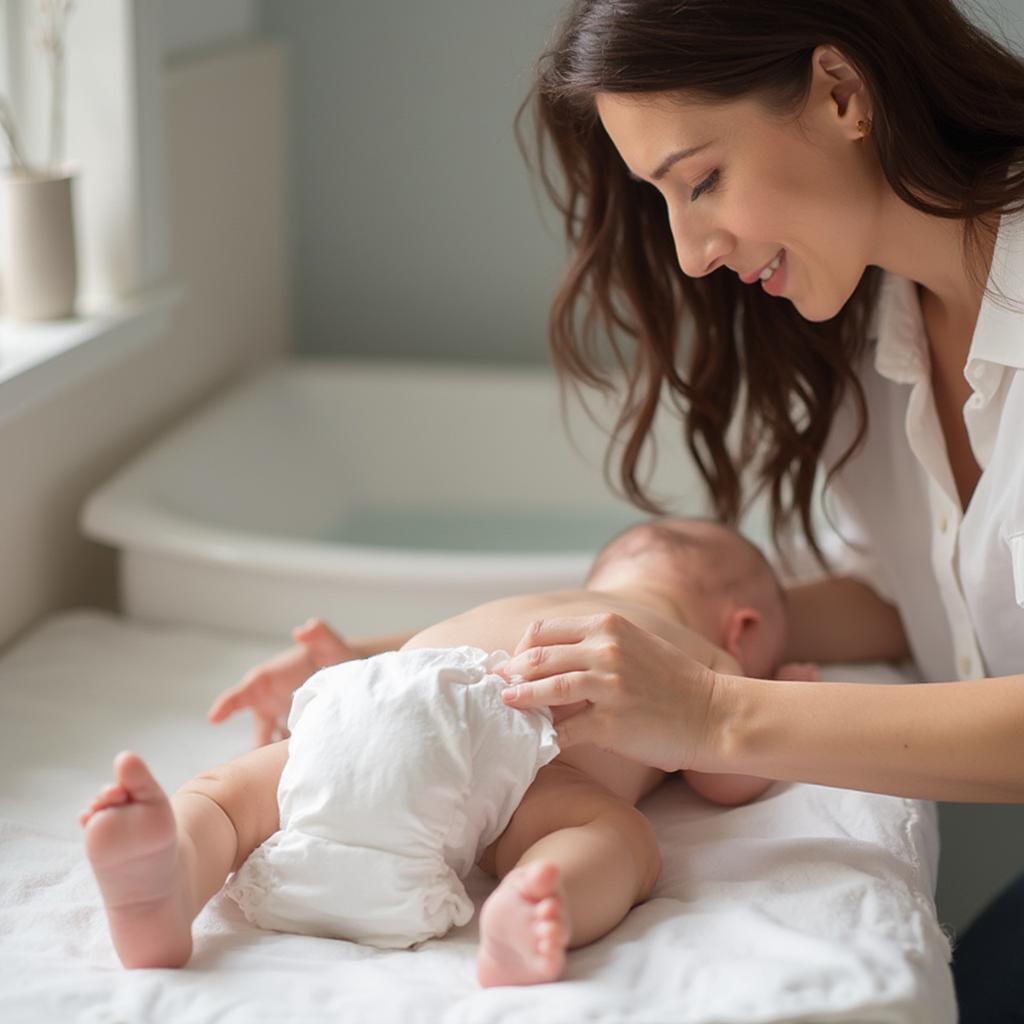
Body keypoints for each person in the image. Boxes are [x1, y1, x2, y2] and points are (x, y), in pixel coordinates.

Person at [484, 1, 1024, 1020]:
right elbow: (911, 585)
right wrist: (583, 637)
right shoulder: (878, 320)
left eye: (701, 180)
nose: (688, 251)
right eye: (664, 201)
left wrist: (715, 712)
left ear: (839, 91)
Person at [81, 517, 818, 987]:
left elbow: (416, 656)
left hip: (377, 695)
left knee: (231, 794)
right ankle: (546, 892)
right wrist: (782, 689)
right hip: (531, 757)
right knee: (616, 837)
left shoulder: (528, 604)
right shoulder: (688, 655)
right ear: (741, 629)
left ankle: (172, 873)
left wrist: (325, 661)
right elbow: (726, 769)